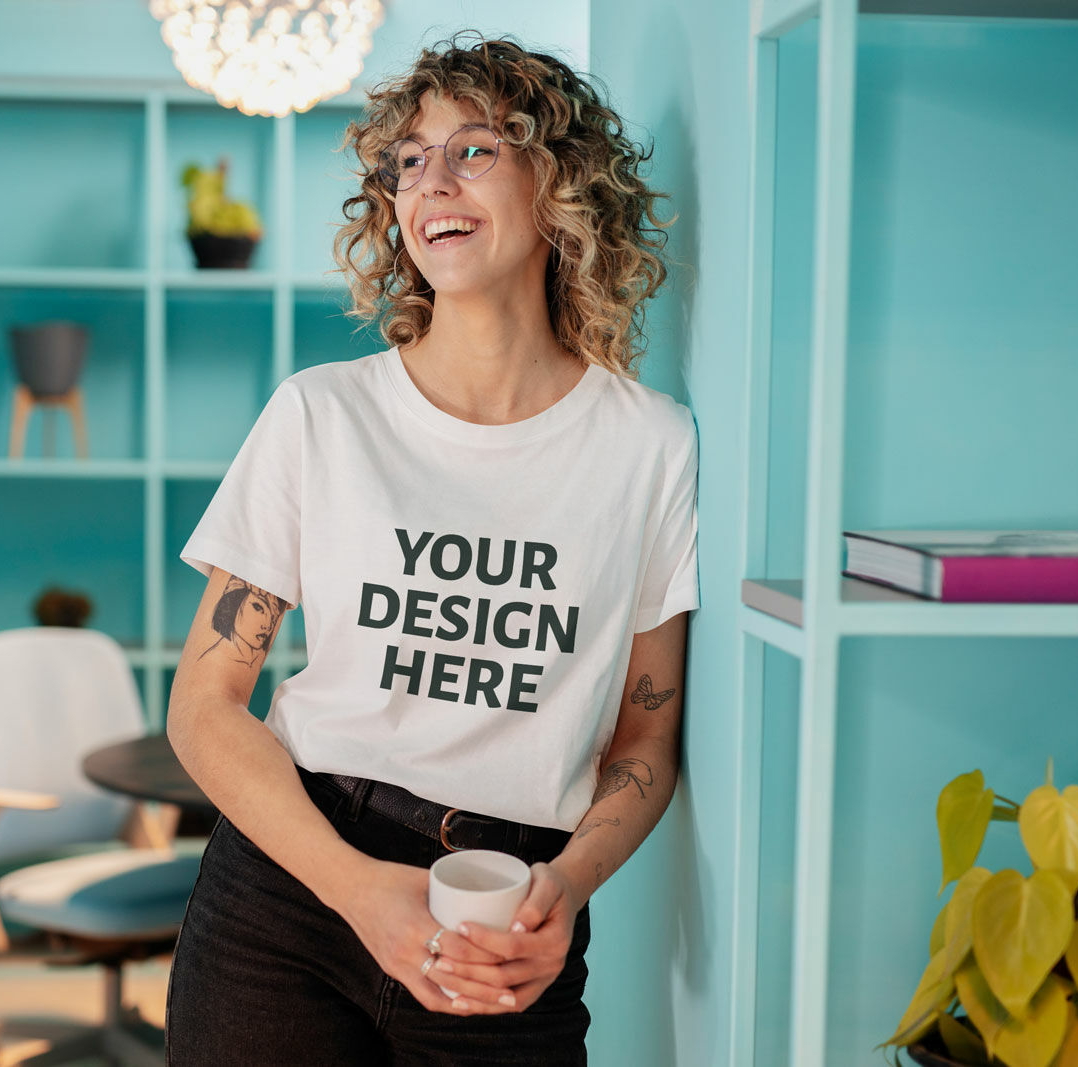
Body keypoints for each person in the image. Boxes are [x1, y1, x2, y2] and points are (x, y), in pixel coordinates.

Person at [163, 33, 698, 1066]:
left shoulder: (649, 445)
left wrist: (568, 884)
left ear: (560, 183)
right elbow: (203, 702)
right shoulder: (319, 415)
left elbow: (642, 740)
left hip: (507, 922)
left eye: (474, 149)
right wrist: (357, 888)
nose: (431, 181)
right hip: (291, 896)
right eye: (408, 159)